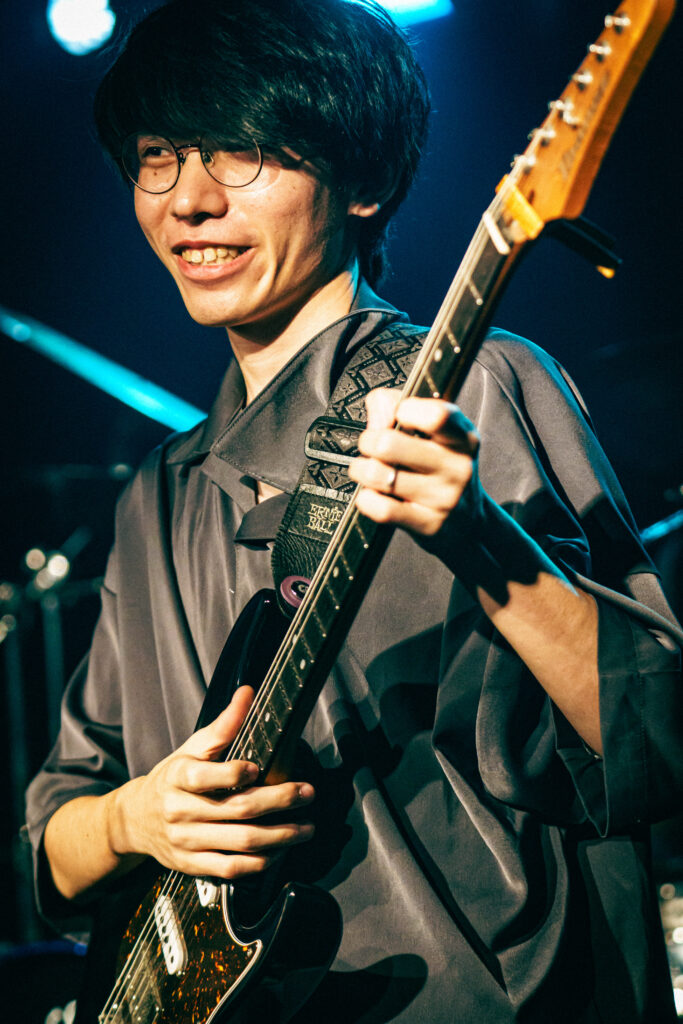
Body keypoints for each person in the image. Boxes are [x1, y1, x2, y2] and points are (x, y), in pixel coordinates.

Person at [25, 0, 683, 1021]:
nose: (189, 199)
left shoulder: (476, 385)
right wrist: (132, 819)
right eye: (160, 155)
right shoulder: (158, 492)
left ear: (363, 181)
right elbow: (50, 842)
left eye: (240, 151)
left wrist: (485, 544)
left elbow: (660, 737)